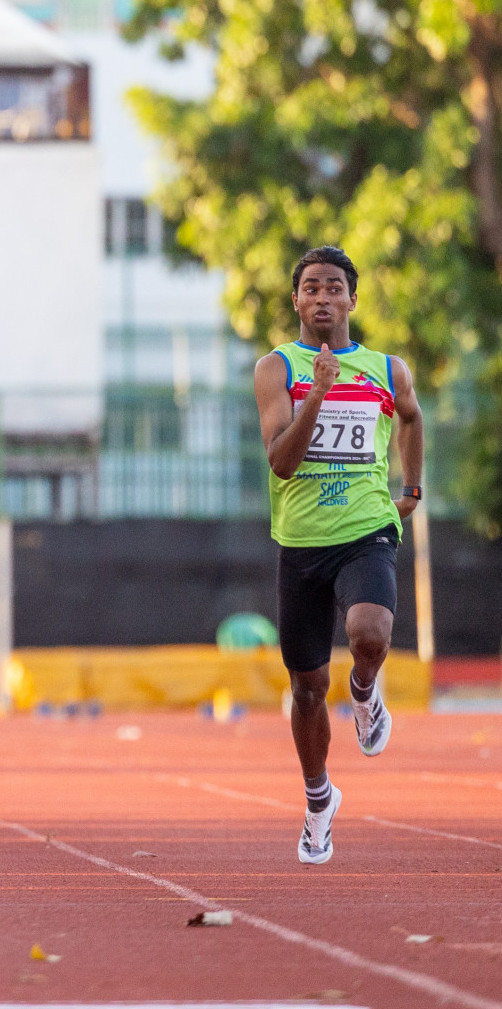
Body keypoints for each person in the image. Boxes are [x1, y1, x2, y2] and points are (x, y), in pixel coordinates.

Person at [252, 246, 423, 864]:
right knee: (305, 687)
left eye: (333, 288)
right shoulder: (277, 368)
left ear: (352, 298)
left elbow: (411, 416)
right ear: (296, 301)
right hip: (300, 543)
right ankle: (319, 799)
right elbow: (281, 461)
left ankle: (366, 689)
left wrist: (411, 489)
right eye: (310, 289)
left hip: (367, 528)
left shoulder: (386, 368)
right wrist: (318, 395)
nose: (322, 298)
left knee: (369, 631)